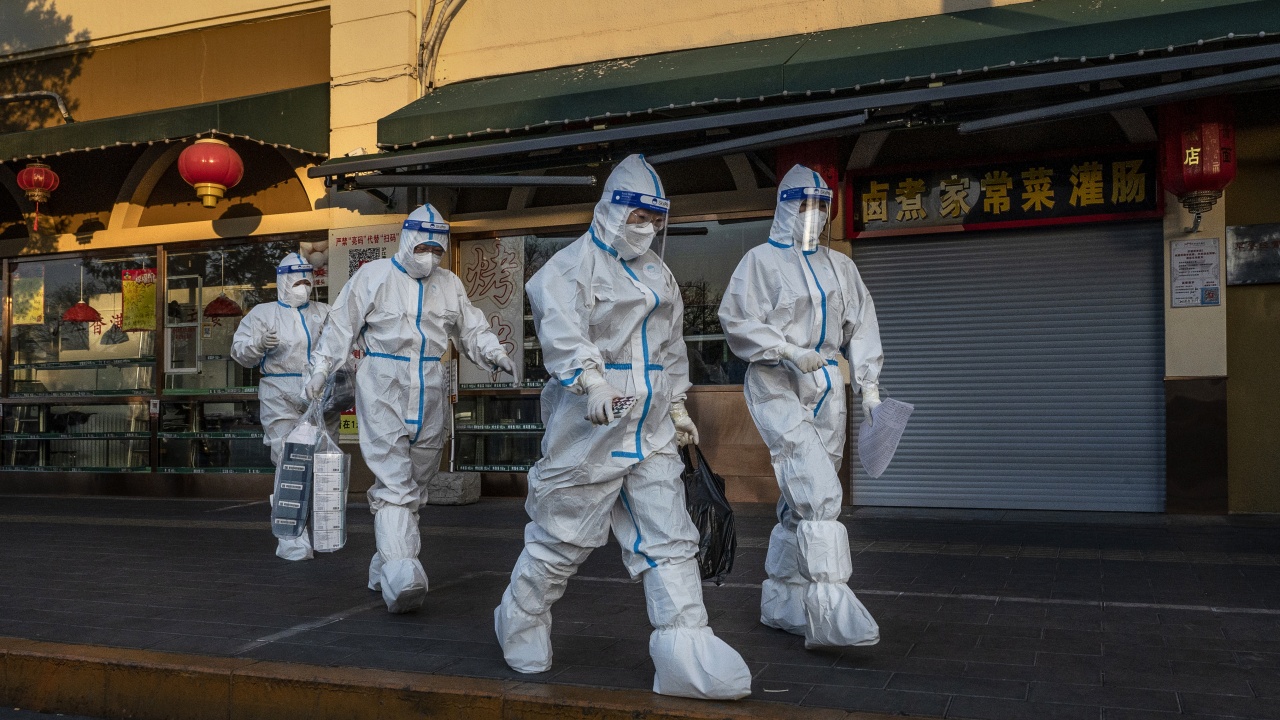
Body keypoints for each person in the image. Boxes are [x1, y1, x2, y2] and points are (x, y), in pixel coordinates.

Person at [494, 154, 751, 701]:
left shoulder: (660, 274)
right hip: (589, 432)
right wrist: (591, 383)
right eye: (638, 216)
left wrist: (678, 406)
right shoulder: (567, 269)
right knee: (561, 538)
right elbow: (565, 338)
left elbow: (671, 348)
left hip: (651, 430)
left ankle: (685, 648)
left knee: (670, 539)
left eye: (655, 218)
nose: (647, 228)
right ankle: (519, 616)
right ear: (611, 208)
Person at [305, 204, 514, 613]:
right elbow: (340, 324)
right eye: (423, 245)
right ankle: (402, 572)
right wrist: (319, 368)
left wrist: (494, 353)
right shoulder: (374, 277)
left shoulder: (449, 284)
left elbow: (470, 326)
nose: (430, 255)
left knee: (417, 484)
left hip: (430, 384)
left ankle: (383, 562)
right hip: (383, 381)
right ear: (406, 238)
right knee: (395, 482)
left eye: (438, 248)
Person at [717, 164, 884, 649]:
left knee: (801, 501)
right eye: (805, 206)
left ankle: (783, 601)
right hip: (775, 381)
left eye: (821, 207)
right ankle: (830, 606)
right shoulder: (760, 262)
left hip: (828, 382)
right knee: (817, 492)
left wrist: (868, 389)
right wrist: (787, 350)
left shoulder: (841, 267)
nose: (814, 215)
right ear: (786, 208)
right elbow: (735, 319)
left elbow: (863, 323)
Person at [232, 251, 336, 562]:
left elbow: (342, 344)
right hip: (280, 393)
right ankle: (290, 536)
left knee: (323, 464)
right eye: (297, 281)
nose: (304, 286)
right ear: (283, 283)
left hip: (320, 394)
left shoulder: (325, 312)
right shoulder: (262, 315)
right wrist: (258, 345)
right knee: (288, 463)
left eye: (308, 280)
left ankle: (322, 531)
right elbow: (239, 352)